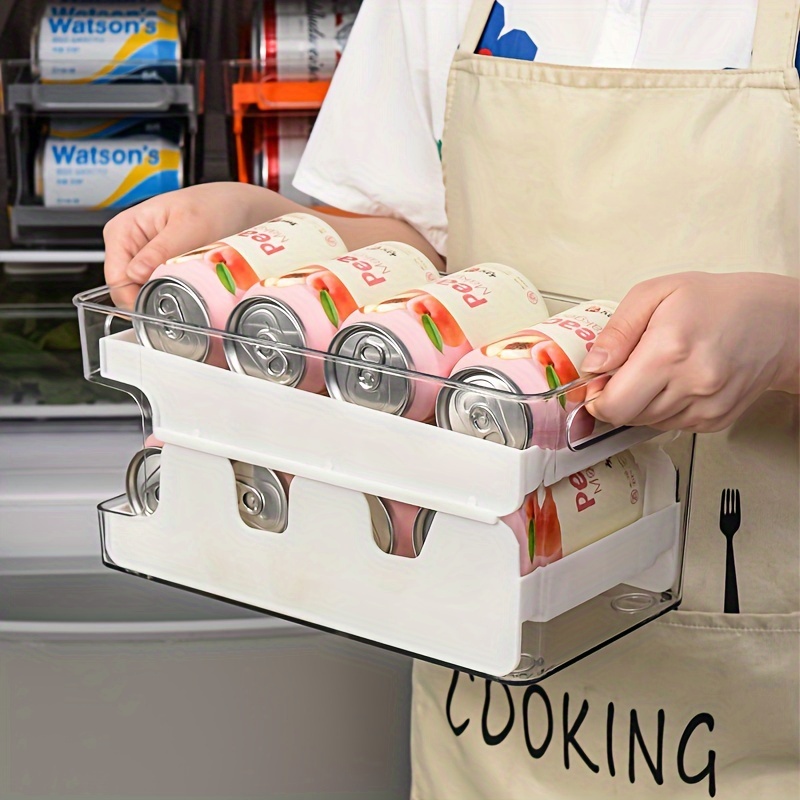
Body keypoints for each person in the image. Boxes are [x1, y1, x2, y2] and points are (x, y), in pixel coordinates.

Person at [104, 0, 800, 796]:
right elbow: (414, 260)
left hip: (763, 719)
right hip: (488, 713)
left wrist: (787, 334)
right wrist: (263, 226)